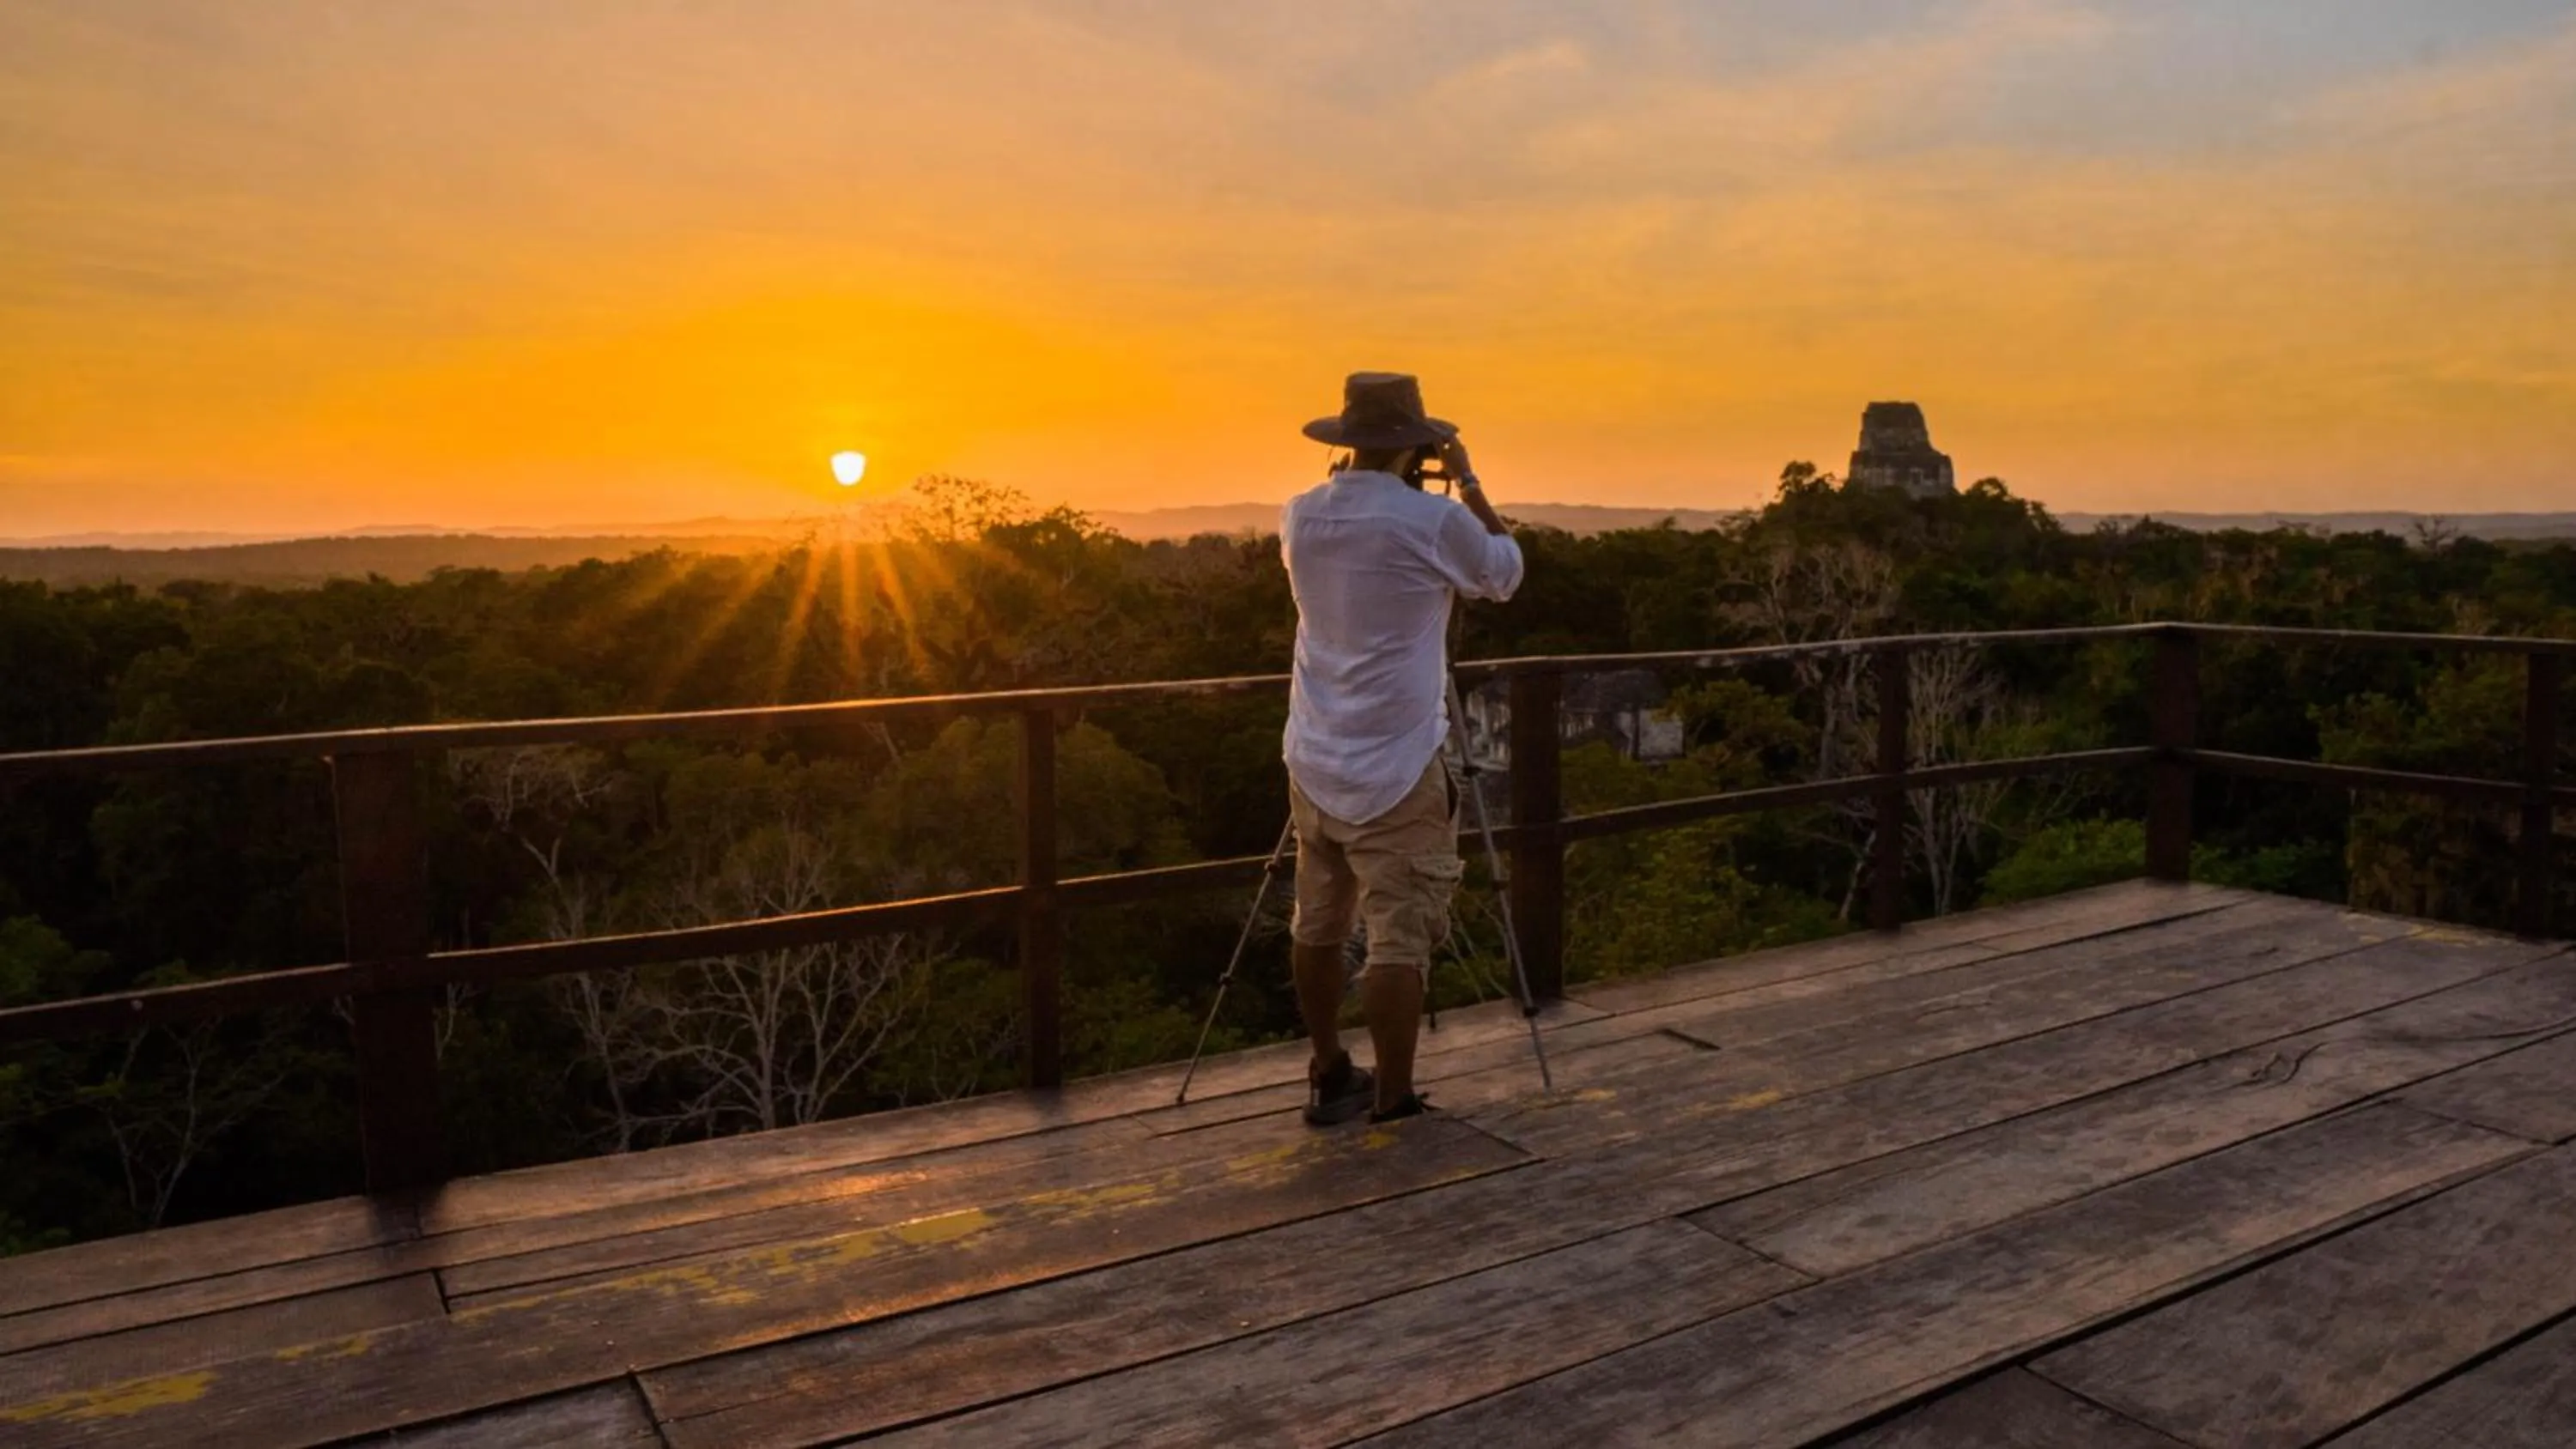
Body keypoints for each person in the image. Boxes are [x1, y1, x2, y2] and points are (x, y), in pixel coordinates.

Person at [1280, 372, 1523, 1125]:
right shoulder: (1431, 521)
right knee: (1398, 940)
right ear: (1417, 443)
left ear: (1345, 440)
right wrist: (1469, 480)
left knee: (1316, 926)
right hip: (1399, 763)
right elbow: (1505, 573)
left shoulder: (1300, 516)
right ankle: (1393, 1099)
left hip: (1315, 755)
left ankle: (1328, 1069)